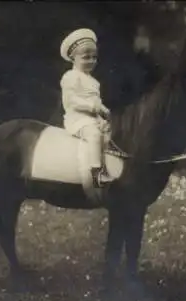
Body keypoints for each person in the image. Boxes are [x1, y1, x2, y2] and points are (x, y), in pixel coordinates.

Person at [59, 28, 114, 188]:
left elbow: (97, 100)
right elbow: (72, 101)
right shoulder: (70, 77)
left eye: (94, 58)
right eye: (86, 58)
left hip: (92, 118)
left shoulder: (93, 81)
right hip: (77, 119)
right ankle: (96, 171)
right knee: (94, 134)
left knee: (110, 133)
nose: (91, 61)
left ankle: (109, 166)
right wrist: (94, 107)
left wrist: (104, 111)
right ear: (73, 58)